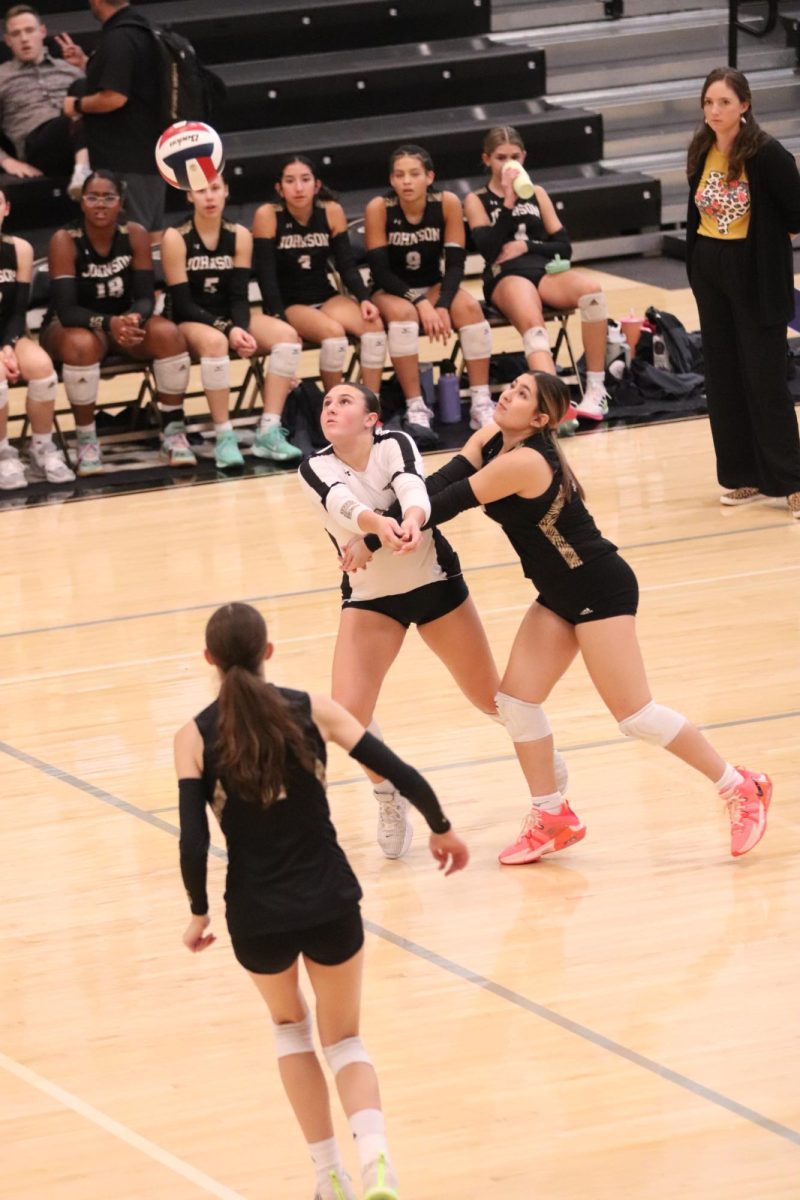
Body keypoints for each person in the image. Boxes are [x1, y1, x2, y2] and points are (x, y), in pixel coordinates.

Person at [411, 370, 772, 864]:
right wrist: (387, 509)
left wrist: (370, 527)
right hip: (559, 592)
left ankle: (740, 786)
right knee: (516, 703)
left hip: (598, 586)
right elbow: (438, 483)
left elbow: (442, 504)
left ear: (539, 419)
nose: (506, 396)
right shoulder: (493, 437)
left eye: (521, 395)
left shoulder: (524, 460)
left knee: (636, 716)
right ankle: (551, 815)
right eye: (511, 387)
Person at [176, 601, 468, 1200]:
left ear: (209, 659)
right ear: (268, 654)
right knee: (346, 1041)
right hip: (330, 899)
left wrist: (199, 910)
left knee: (291, 1032)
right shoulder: (312, 711)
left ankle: (328, 1177)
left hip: (256, 915)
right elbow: (395, 768)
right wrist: (440, 825)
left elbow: (193, 837)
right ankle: (377, 1163)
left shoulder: (194, 737)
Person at [298, 380, 567, 859]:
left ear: (371, 419)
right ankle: (389, 795)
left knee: (493, 699)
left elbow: (412, 487)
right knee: (349, 713)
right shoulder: (314, 465)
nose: (331, 408)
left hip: (436, 586)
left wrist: (414, 519)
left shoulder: (395, 443)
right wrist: (378, 526)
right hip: (371, 599)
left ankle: (544, 762)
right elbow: (341, 502)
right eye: (326, 403)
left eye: (344, 401)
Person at [685, 67, 800, 518]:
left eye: (724, 103)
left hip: (754, 273)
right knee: (724, 377)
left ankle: (790, 480)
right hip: (710, 269)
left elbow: (796, 214)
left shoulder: (769, 153)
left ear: (744, 105)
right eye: (709, 102)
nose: (715, 111)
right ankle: (744, 474)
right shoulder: (702, 147)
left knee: (764, 377)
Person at [40, 169, 194, 477]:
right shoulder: (64, 240)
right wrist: (110, 323)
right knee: (80, 345)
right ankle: (86, 441)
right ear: (82, 202)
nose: (100, 203)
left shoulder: (134, 234)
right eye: (92, 197)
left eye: (108, 197)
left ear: (120, 203)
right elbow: (67, 310)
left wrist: (134, 318)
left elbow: (147, 298)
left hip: (123, 323)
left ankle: (173, 431)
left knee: (169, 334)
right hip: (73, 326)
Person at [464, 126, 610, 423]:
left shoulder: (537, 193)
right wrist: (507, 201)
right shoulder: (476, 199)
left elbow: (564, 247)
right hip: (505, 275)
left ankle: (596, 389)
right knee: (534, 324)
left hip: (544, 272)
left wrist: (525, 245)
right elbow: (489, 249)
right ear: (487, 159)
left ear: (524, 157)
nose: (508, 163)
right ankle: (555, 408)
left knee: (592, 291)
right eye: (500, 157)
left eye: (514, 156)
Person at [161, 172, 303, 465]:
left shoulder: (239, 234)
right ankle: (224, 437)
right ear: (189, 195)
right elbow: (184, 304)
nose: (209, 196)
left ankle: (269, 431)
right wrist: (229, 331)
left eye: (215, 189)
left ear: (226, 191)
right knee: (215, 343)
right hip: (189, 320)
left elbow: (239, 296)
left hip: (228, 315)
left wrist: (238, 327)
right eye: (201, 191)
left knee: (287, 336)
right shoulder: (176, 237)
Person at [364, 144, 494, 446]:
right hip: (390, 289)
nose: (407, 181)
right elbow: (381, 271)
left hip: (434, 286)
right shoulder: (379, 208)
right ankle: (416, 406)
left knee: (472, 310)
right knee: (405, 315)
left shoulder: (447, 202)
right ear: (392, 180)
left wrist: (444, 303)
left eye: (414, 174)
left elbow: (456, 263)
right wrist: (420, 302)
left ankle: (480, 403)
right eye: (399, 175)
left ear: (429, 176)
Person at [252, 155, 387, 398]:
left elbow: (346, 265)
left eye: (305, 180)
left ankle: (370, 404)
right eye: (290, 181)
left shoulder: (331, 211)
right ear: (279, 188)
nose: (299, 187)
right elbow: (266, 276)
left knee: (374, 326)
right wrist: (279, 318)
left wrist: (364, 298)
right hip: (290, 302)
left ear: (316, 185)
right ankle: (333, 408)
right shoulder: (268, 215)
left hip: (325, 296)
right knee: (333, 333)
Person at [62, 0, 165, 238]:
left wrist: (76, 104)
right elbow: (133, 81)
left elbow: (115, 97)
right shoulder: (143, 29)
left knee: (136, 239)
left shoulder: (119, 38)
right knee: (153, 236)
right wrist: (86, 64)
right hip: (149, 155)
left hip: (127, 160)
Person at [0, 185, 74, 487]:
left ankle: (42, 448)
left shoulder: (20, 248)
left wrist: (6, 345)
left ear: (6, 209)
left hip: (10, 333)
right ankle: (3, 453)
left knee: (43, 369)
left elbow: (18, 310)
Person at [0, 4, 90, 198]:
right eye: (16, 34)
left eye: (29, 30)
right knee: (77, 102)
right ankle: (84, 170)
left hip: (79, 139)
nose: (24, 39)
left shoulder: (69, 68)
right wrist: (7, 161)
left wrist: (85, 65)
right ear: (8, 40)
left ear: (42, 31)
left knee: (83, 85)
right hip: (39, 146)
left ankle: (83, 169)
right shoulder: (2, 76)